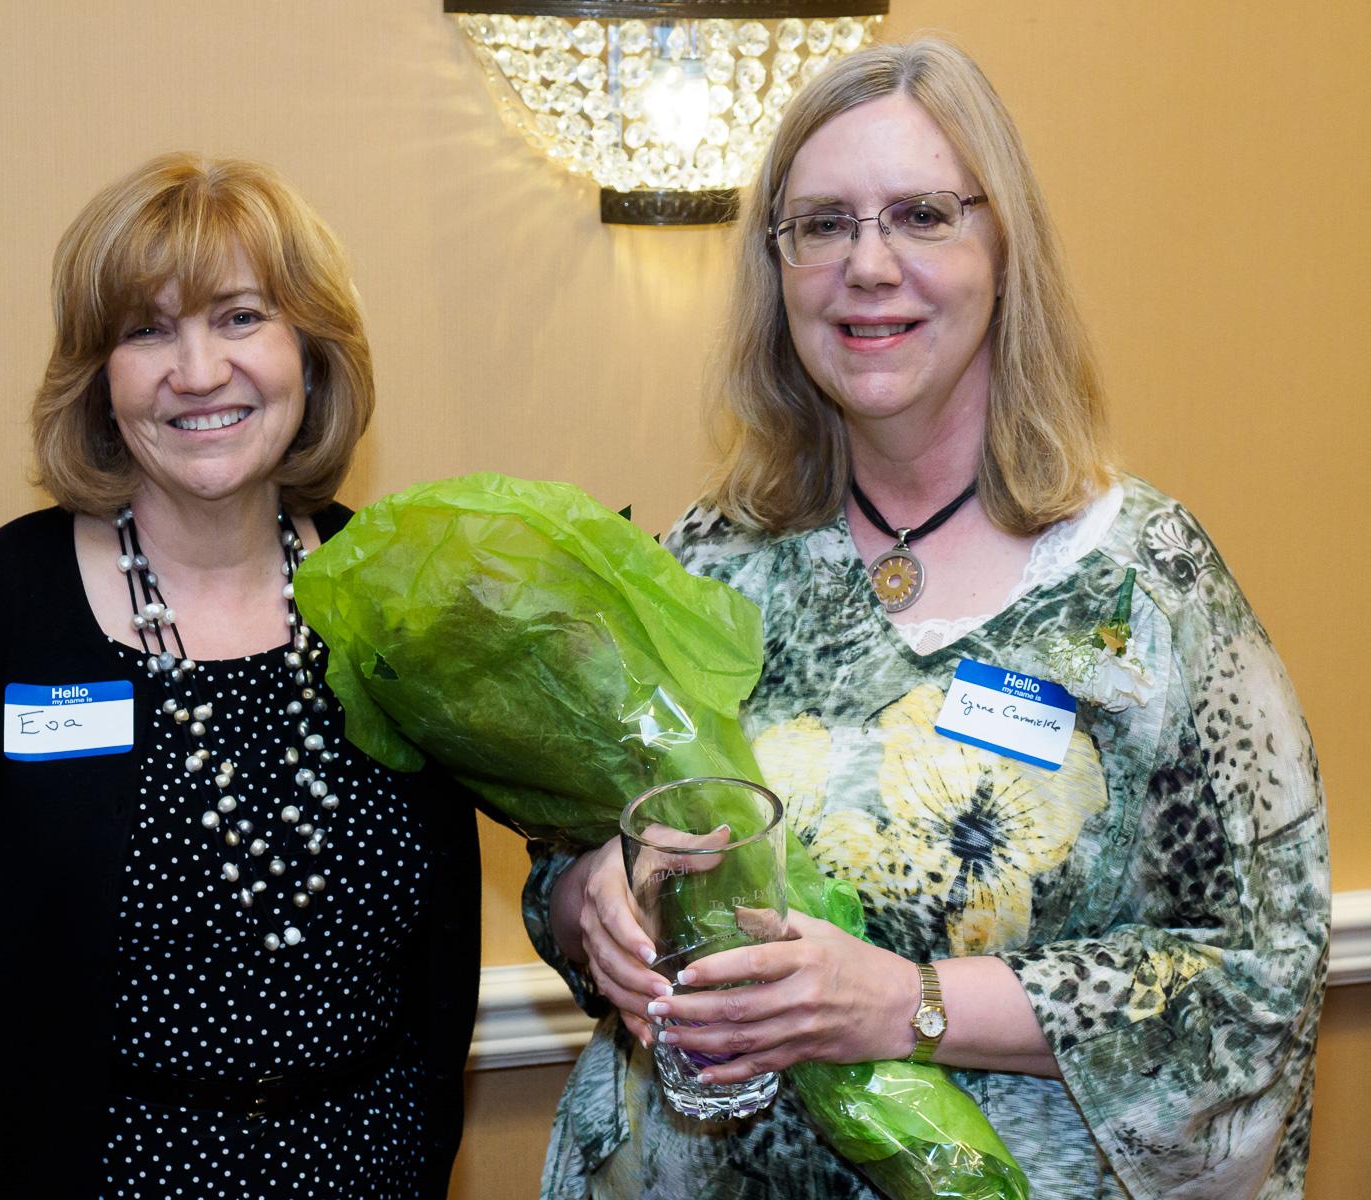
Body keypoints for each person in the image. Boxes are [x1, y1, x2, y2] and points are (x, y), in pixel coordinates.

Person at [528, 38, 1329, 1200]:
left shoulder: (1140, 587)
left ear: (1003, 251)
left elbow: (1259, 979)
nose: (868, 265)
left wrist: (907, 1006)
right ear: (778, 268)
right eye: (822, 225)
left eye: (918, 214)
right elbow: (569, 844)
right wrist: (585, 892)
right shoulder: (711, 564)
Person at [0, 153, 480, 1200]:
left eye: (239, 317)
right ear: (98, 378)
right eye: (147, 330)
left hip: (370, 1170)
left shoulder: (400, 600)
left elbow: (446, 956)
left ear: (310, 355)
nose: (196, 372)